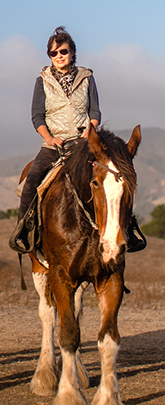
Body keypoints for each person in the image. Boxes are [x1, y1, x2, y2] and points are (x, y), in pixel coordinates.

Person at [11, 26, 145, 253]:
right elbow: (37, 116)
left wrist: (90, 131)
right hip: (54, 144)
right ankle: (23, 230)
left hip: (84, 143)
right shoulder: (42, 81)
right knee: (31, 180)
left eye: (63, 51)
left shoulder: (87, 77)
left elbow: (95, 112)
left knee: (114, 178)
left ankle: (128, 228)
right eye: (53, 53)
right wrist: (49, 138)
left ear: (72, 52)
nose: (59, 57)